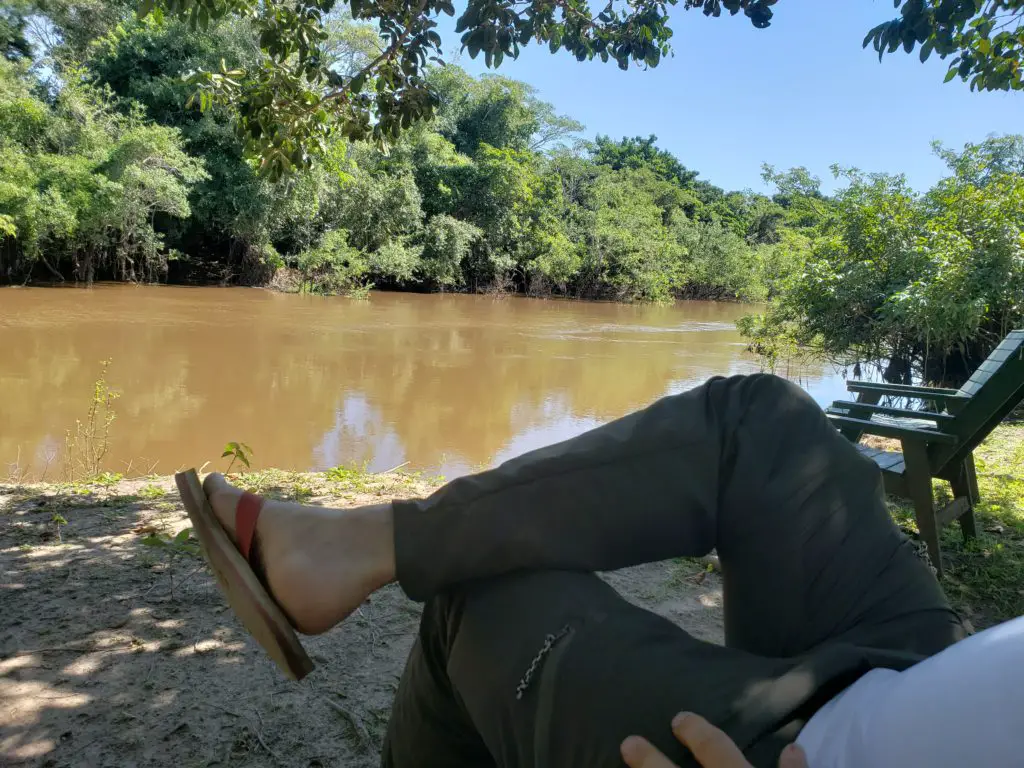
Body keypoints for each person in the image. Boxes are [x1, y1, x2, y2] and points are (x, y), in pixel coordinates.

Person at [191, 374, 1023, 767]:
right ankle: (371, 539)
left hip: (831, 752)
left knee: (483, 589)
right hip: (927, 659)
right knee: (761, 423)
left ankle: (348, 553)